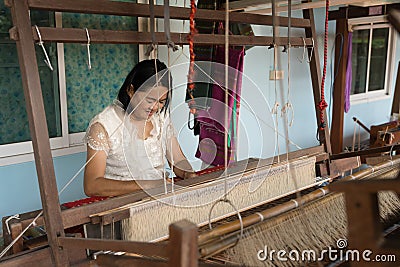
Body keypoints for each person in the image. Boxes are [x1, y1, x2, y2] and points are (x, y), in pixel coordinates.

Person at [83, 59, 195, 197]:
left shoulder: (161, 119)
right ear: (131, 90)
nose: (154, 107)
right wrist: (148, 185)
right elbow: (92, 185)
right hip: (121, 208)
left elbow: (177, 160)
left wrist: (189, 174)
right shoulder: (104, 126)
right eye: (149, 100)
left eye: (161, 102)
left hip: (159, 199)